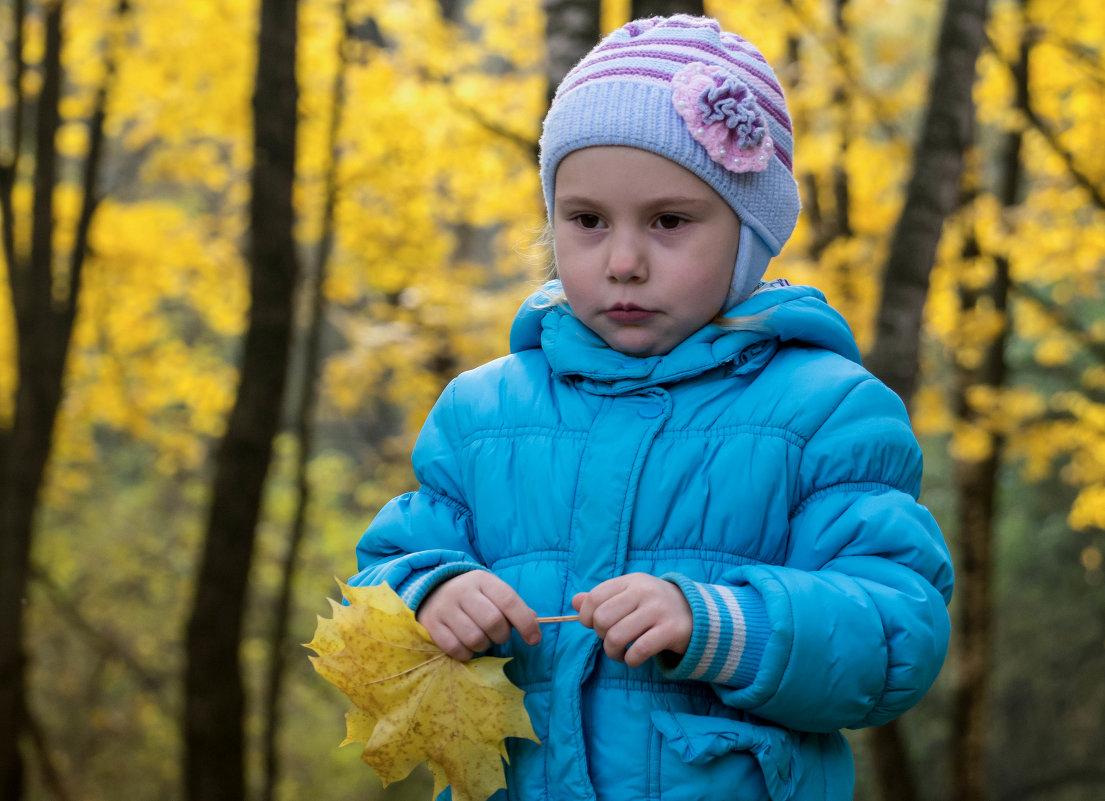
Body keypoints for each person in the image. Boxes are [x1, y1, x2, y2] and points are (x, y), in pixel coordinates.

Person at [347, 14, 953, 801]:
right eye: (587, 220)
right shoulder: (480, 413)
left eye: (669, 222)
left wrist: (722, 627)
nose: (623, 261)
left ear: (747, 233)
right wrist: (429, 592)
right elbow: (381, 576)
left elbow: (892, 629)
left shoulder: (826, 413)